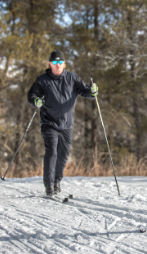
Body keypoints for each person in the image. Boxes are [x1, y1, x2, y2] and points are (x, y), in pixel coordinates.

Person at [27, 50, 98, 196]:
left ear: (64, 64)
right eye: (55, 62)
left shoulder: (72, 78)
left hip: (67, 124)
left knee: (63, 154)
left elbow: (84, 90)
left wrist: (92, 92)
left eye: (60, 62)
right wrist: (36, 101)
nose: (57, 65)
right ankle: (49, 185)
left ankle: (57, 180)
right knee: (52, 151)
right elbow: (32, 95)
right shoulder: (42, 80)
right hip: (49, 122)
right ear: (50, 64)